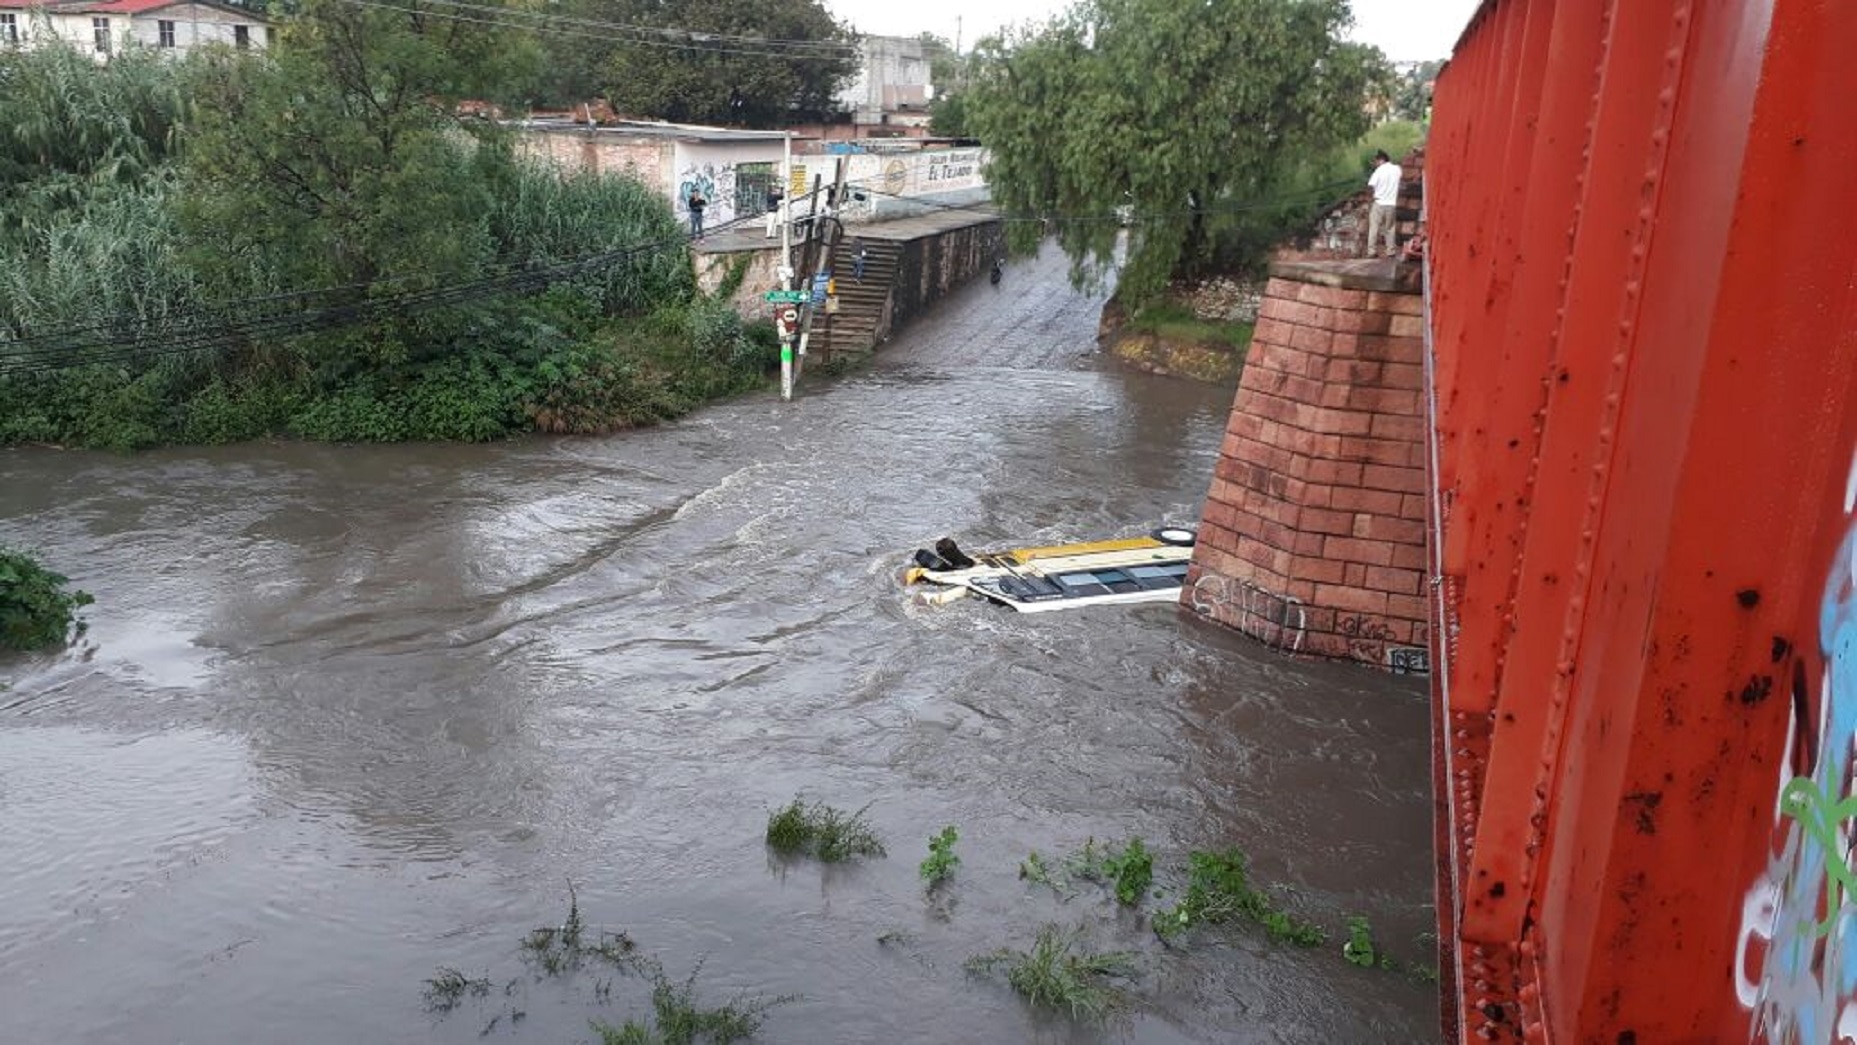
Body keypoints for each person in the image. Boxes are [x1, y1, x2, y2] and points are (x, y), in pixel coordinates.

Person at [1365, 150, 1402, 258]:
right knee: (1390, 228)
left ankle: (1371, 251)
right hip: (1391, 204)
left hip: (1379, 202)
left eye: (1376, 161)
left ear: (1381, 160)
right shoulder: (1397, 169)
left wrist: (1371, 198)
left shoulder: (1379, 171)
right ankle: (1390, 251)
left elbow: (1370, 186)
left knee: (1374, 228)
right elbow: (1400, 179)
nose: (1375, 163)